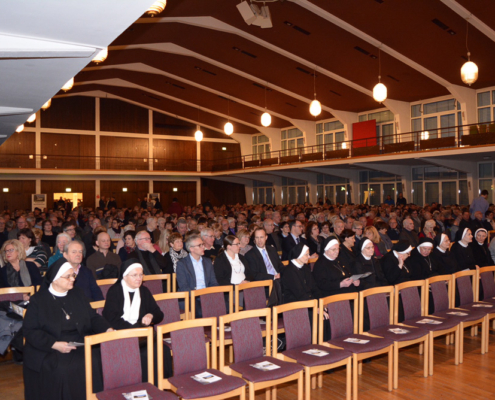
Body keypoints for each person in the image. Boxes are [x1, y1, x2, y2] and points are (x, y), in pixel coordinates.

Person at [23, 260, 113, 400]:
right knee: (64, 368)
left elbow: (93, 317)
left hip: (79, 340)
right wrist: (54, 344)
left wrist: (107, 329)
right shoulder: (38, 300)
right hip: (49, 345)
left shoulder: (78, 294)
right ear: (55, 279)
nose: (72, 279)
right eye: (68, 276)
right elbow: (30, 331)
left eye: (73, 275)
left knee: (97, 359)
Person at [102, 259, 164, 330]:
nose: (139, 278)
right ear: (125, 277)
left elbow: (159, 314)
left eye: (141, 275)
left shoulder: (144, 291)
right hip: (121, 332)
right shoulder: (114, 291)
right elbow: (111, 318)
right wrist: (133, 329)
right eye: (135, 275)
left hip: (141, 332)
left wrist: (150, 315)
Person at [176, 234, 218, 317]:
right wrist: (199, 294)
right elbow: (184, 287)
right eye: (200, 245)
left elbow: (213, 282)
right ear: (191, 249)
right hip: (191, 296)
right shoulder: (182, 264)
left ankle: (218, 328)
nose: (203, 247)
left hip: (206, 294)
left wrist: (211, 294)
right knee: (201, 313)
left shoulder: (207, 261)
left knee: (227, 307)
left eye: (202, 244)